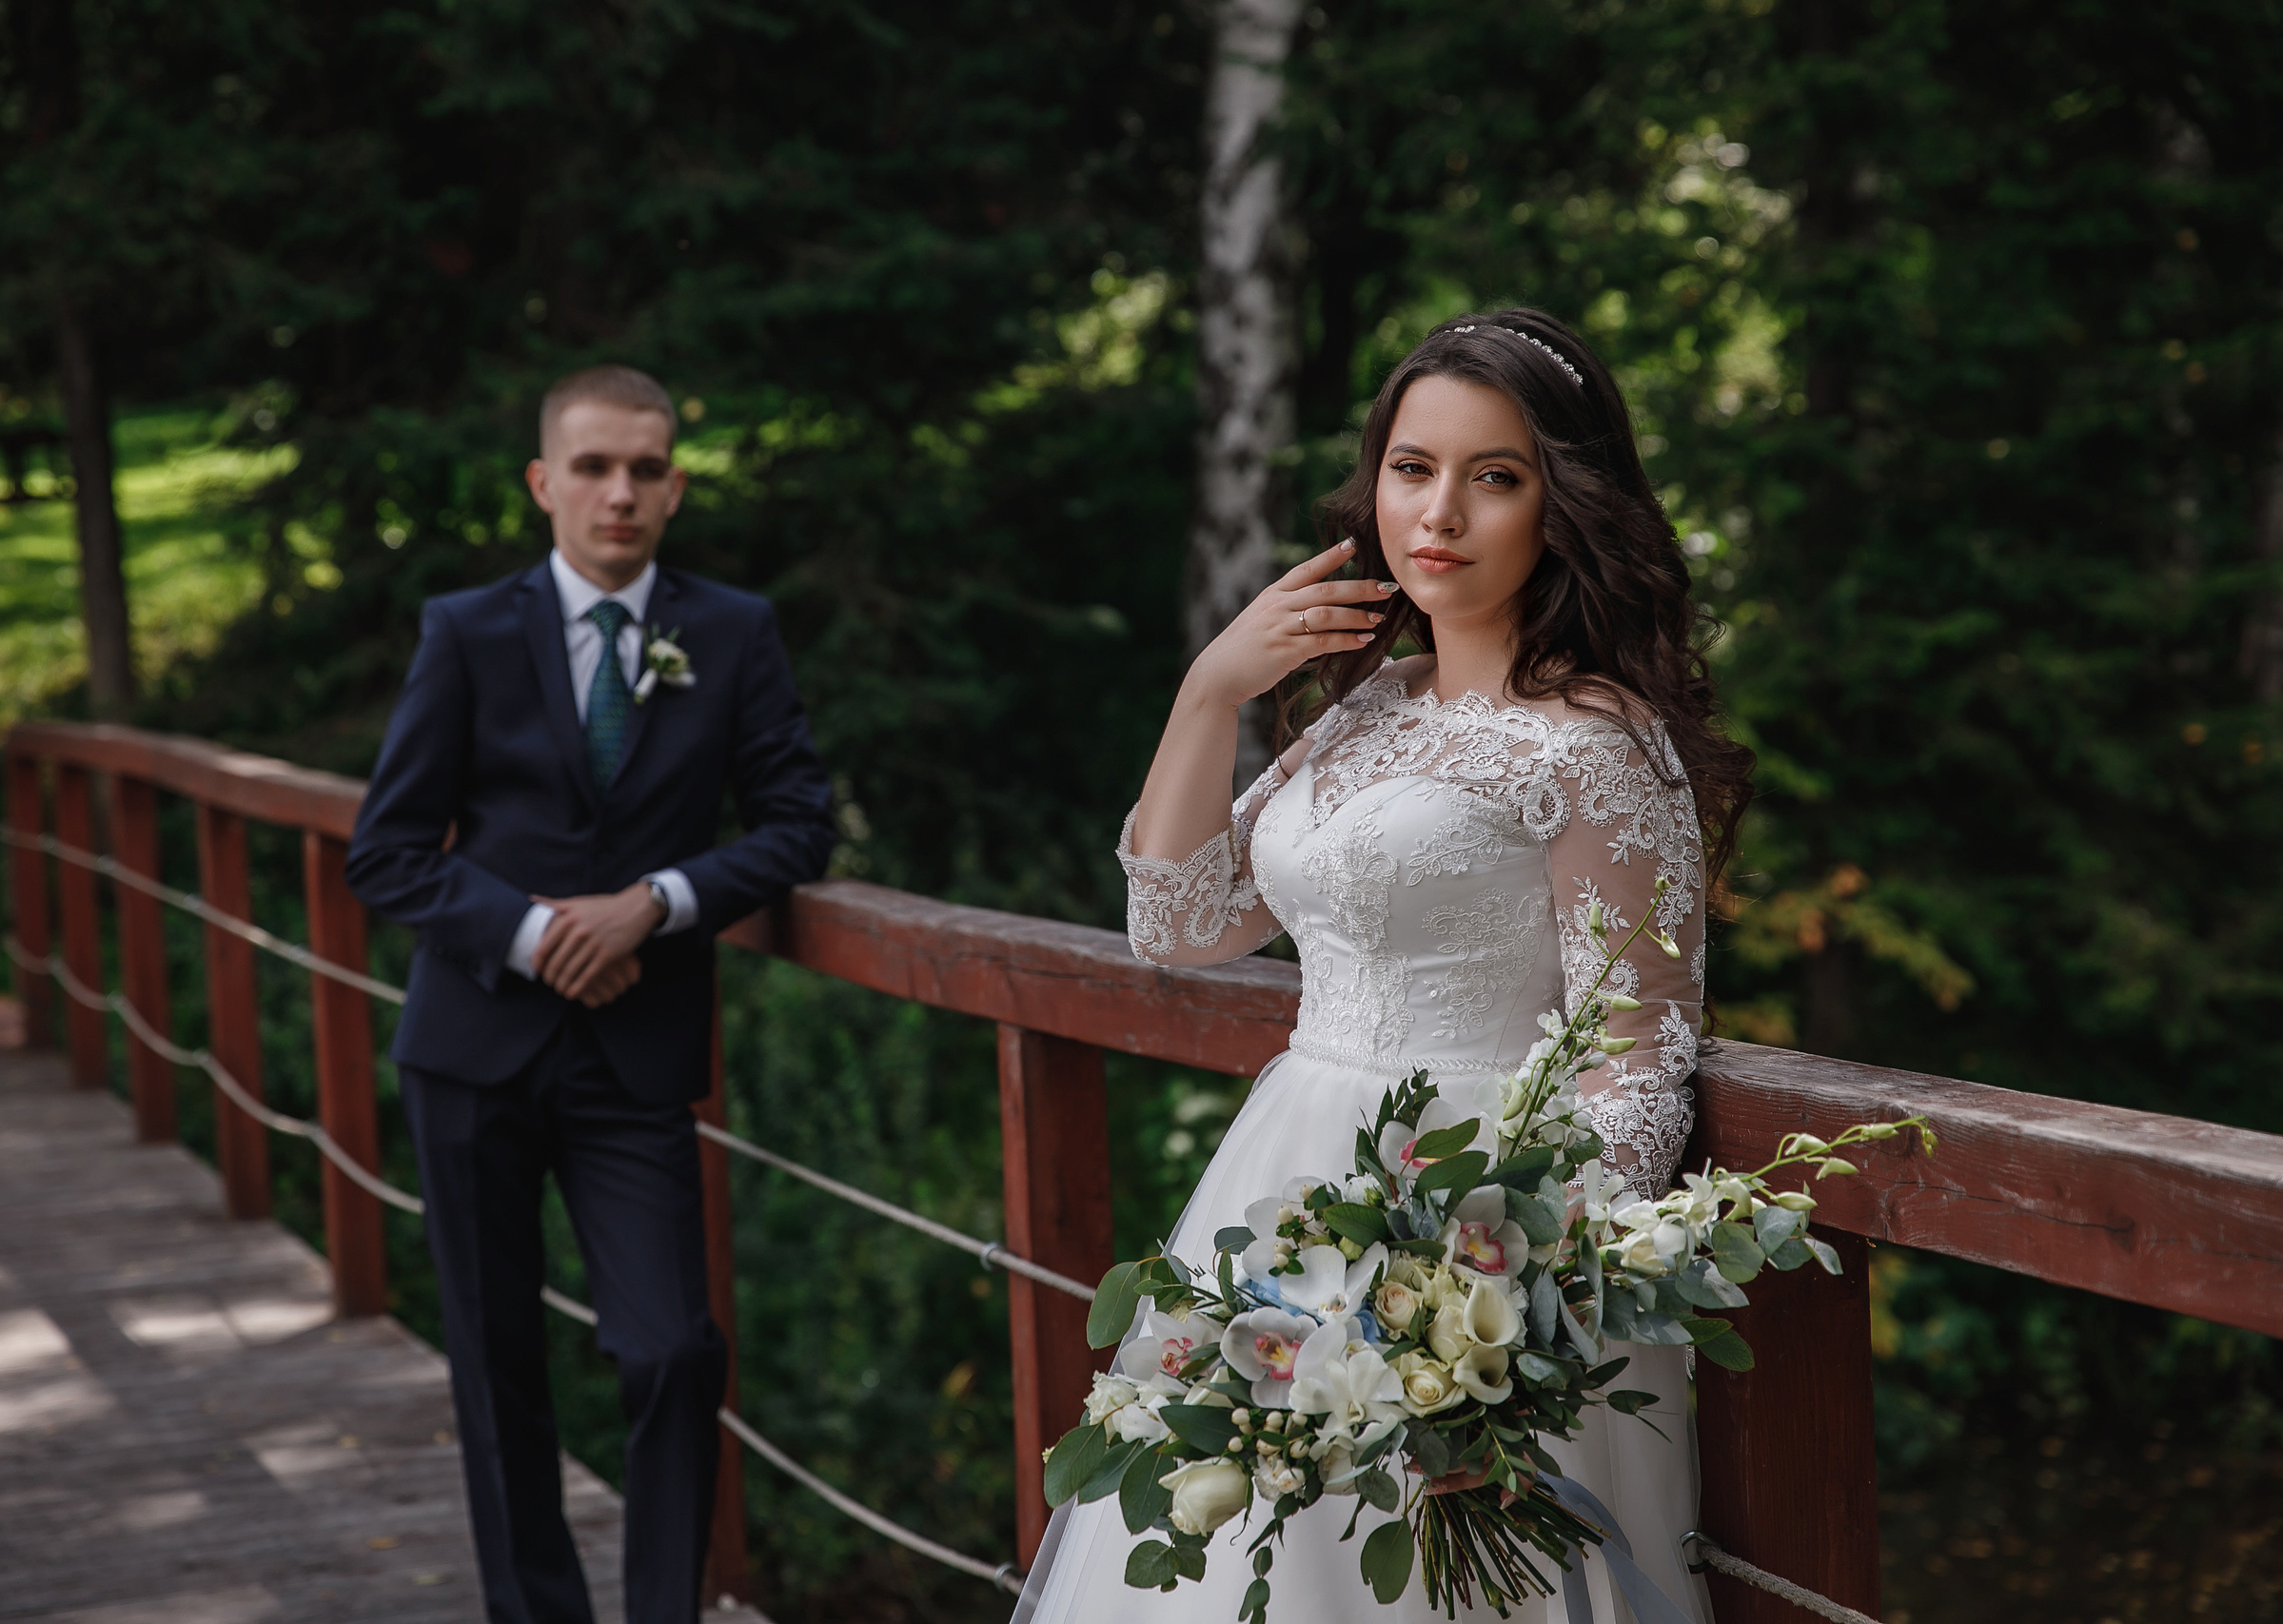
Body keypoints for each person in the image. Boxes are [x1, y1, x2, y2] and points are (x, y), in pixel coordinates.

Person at [1015, 311, 1754, 1622]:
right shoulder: (1370, 706)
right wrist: (1209, 691)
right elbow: (1180, 923)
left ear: (1564, 505)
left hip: (1475, 1228)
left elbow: (1638, 1059)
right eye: (1413, 469)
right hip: (1290, 1190)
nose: (1441, 514)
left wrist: (1501, 1313)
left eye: (1496, 476)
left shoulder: (1594, 746)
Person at [346, 365, 838, 1624]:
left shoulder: (733, 630)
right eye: (593, 467)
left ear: (675, 489)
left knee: (672, 1347)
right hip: (472, 1050)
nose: (619, 492)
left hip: (637, 1051)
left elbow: (798, 823)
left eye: (645, 469)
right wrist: (533, 933)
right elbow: (386, 853)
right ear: (543, 483)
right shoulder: (467, 630)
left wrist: (655, 903)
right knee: (497, 1363)